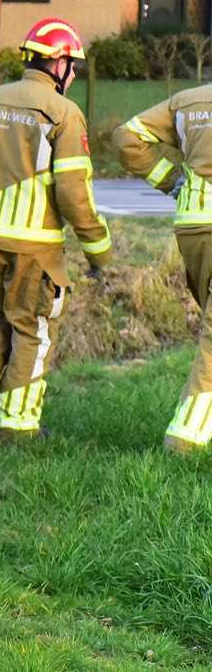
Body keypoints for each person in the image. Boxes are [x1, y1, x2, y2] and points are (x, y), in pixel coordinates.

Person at [0, 18, 111, 441]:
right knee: (33, 329)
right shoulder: (63, 113)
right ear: (57, 63)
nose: (73, 74)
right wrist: (99, 253)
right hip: (33, 246)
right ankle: (18, 427)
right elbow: (75, 193)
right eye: (72, 64)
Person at [113, 80, 212, 453]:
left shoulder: (189, 101)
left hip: (193, 227)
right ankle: (186, 440)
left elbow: (127, 138)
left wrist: (174, 182)